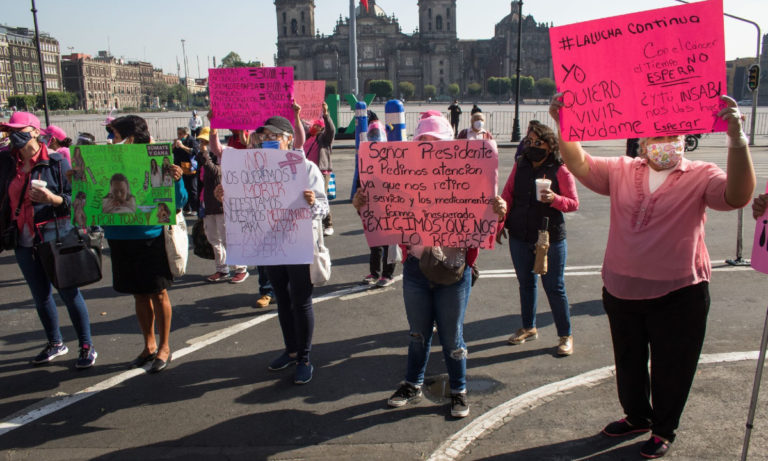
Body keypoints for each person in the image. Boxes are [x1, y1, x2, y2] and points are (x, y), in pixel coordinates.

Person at [549, 93, 755, 458]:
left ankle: (663, 428)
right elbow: (578, 162)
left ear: (684, 139)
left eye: (672, 135)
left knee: (671, 366)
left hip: (679, 293)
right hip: (621, 289)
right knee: (628, 362)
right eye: (657, 136)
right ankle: (636, 416)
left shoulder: (701, 175)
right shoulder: (623, 170)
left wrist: (737, 139)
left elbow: (737, 195)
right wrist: (564, 122)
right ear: (643, 141)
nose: (665, 143)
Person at [354, 110, 507, 418]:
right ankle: (412, 383)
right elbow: (383, 218)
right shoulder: (402, 176)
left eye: (435, 143)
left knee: (452, 337)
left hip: (454, 269)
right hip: (415, 268)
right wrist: (362, 206)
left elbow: (487, 228)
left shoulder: (467, 172)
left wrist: (499, 213)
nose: (429, 149)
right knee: (417, 333)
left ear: (449, 146)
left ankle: (459, 389)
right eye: (423, 142)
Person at [214, 108, 327, 385]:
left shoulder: (306, 167)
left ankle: (305, 357)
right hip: (269, 243)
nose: (268, 139)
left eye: (274, 136)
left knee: (300, 301)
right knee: (282, 299)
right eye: (263, 135)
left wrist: (312, 202)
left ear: (288, 140)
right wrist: (224, 195)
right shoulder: (252, 168)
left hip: (297, 243)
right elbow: (242, 200)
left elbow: (323, 209)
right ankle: (290, 350)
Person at [0, 112, 97, 368]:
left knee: (68, 291)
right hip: (23, 239)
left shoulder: (56, 162)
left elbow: (76, 199)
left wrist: (51, 199)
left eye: (17, 130)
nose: (12, 136)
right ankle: (55, 343)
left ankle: (86, 345)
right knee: (40, 295)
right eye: (9, 131)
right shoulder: (7, 162)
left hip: (56, 237)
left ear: (34, 131)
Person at [104, 115, 188, 374]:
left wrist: (177, 179)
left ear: (130, 138)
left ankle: (164, 346)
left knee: (157, 292)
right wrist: (79, 179)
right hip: (119, 237)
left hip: (149, 235)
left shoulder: (158, 159)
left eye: (115, 136)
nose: (111, 141)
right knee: (138, 294)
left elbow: (179, 202)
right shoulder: (106, 161)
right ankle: (148, 344)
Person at [496, 122, 578, 356]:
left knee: (555, 287)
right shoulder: (520, 165)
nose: (532, 146)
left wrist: (555, 199)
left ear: (550, 146)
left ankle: (565, 335)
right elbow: (508, 195)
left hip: (549, 236)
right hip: (519, 234)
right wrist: (501, 222)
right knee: (526, 284)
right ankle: (528, 327)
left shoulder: (560, 169)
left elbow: (573, 203)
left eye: (537, 142)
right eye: (529, 142)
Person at [196, 126, 249, 284]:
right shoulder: (206, 158)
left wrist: (206, 149)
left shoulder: (223, 159)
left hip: (222, 205)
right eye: (201, 141)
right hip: (208, 205)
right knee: (213, 238)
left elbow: (213, 170)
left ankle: (240, 268)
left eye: (205, 141)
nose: (202, 143)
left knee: (228, 237)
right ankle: (222, 268)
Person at [360, 119, 397, 287]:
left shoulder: (393, 156)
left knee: (389, 242)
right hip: (372, 206)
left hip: (389, 206)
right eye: (372, 134)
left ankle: (388, 274)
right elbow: (360, 183)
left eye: (377, 134)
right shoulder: (365, 157)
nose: (375, 137)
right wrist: (359, 203)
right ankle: (374, 272)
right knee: (374, 243)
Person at [302, 101, 336, 236]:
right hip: (307, 171)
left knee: (322, 196)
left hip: (322, 171)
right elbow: (300, 125)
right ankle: (315, 222)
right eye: (312, 125)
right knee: (309, 197)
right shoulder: (306, 138)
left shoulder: (324, 139)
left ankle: (328, 224)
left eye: (317, 125)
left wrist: (326, 115)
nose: (313, 127)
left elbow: (331, 129)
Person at [172, 127, 199, 216]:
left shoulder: (191, 140)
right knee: (184, 188)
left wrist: (183, 147)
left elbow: (195, 151)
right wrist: (174, 145)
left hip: (190, 168)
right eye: (178, 133)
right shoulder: (178, 141)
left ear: (185, 134)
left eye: (180, 134)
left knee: (192, 189)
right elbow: (172, 151)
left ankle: (195, 208)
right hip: (180, 168)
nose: (179, 136)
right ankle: (186, 208)